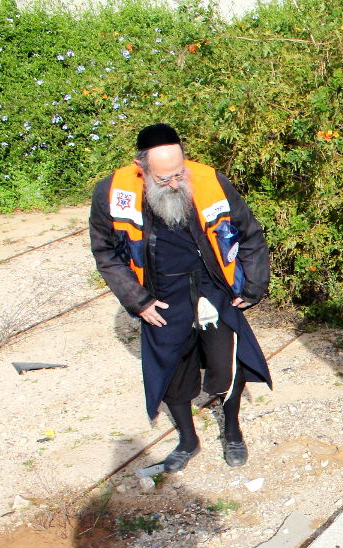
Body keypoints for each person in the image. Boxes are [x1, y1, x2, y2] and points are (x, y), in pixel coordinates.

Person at [89, 123, 272, 472]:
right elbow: (106, 253)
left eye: (178, 174)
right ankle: (188, 441)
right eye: (163, 179)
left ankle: (232, 431)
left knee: (227, 365)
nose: (174, 184)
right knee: (172, 373)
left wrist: (253, 285)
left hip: (213, 287)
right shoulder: (112, 192)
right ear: (141, 169)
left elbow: (249, 233)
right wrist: (138, 300)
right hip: (160, 295)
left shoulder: (209, 180)